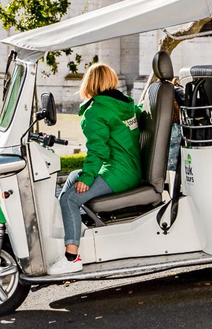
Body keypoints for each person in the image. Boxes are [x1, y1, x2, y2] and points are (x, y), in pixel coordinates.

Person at [48, 63, 142, 275]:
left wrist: (88, 177)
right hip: (131, 168)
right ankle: (69, 227)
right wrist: (83, 176)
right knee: (73, 176)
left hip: (119, 172)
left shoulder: (97, 111)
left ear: (89, 83)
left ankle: (72, 257)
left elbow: (97, 150)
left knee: (69, 199)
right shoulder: (124, 104)